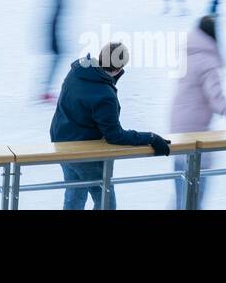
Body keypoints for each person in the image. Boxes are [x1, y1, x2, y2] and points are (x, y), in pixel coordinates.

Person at [49, 42, 171, 210]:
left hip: (61, 142)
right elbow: (115, 135)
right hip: (84, 153)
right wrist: (150, 138)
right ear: (119, 69)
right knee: (105, 202)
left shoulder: (79, 69)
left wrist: (108, 80)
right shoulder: (105, 96)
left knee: (75, 195)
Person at [168, 16, 226, 207]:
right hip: (195, 133)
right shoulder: (208, 60)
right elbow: (216, 100)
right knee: (194, 197)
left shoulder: (188, 54)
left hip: (177, 128)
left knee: (181, 192)